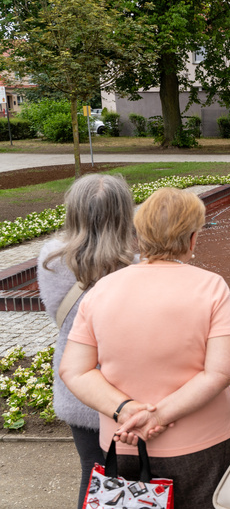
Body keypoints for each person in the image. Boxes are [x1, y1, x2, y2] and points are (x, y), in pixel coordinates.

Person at [60, 187, 230, 508]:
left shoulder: (103, 289)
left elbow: (74, 369)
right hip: (198, 444)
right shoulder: (212, 287)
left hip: (123, 438)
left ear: (139, 235)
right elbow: (220, 372)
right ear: (192, 238)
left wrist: (126, 410)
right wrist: (159, 416)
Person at [38, 174, 136, 509]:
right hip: (128, 390)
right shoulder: (138, 261)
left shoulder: (51, 258)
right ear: (125, 212)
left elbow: (57, 314)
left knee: (93, 477)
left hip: (76, 389)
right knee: (137, 481)